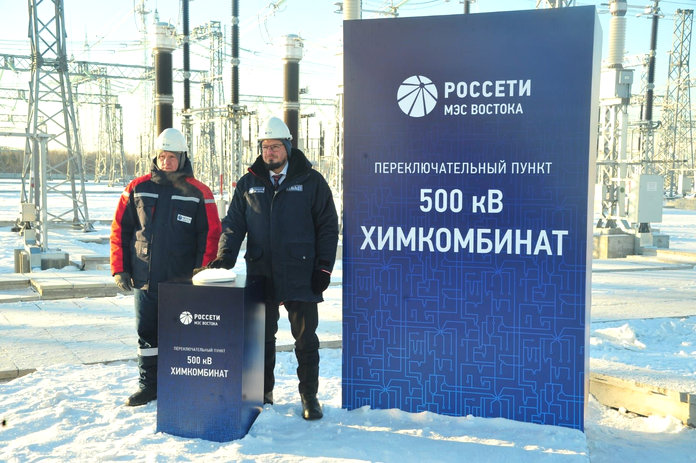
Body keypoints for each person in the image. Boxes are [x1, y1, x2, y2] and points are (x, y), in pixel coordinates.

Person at [207, 116, 338, 420]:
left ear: (288, 147)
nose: (270, 152)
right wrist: (225, 257)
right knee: (262, 339)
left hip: (301, 273)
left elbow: (328, 227)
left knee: (305, 339)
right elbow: (233, 225)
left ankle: (309, 396)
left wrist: (323, 268)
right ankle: (263, 394)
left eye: (275, 146)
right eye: (265, 147)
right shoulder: (249, 182)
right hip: (261, 272)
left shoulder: (311, 181)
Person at [110, 127, 222, 407]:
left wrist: (202, 274)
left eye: (172, 156)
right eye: (162, 156)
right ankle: (148, 386)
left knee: (181, 336)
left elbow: (210, 236)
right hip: (145, 280)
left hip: (181, 283)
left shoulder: (199, 192)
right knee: (147, 336)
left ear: (182, 158)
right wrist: (119, 268)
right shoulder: (137, 188)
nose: (166, 161)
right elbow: (120, 229)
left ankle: (178, 385)